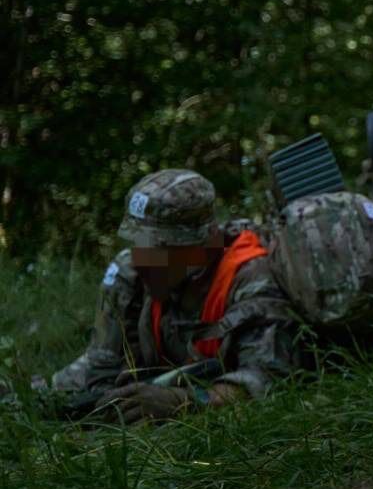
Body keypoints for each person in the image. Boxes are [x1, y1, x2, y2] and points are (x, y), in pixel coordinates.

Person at [49, 169, 304, 422]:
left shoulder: (250, 278)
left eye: (158, 248)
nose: (141, 260)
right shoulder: (132, 274)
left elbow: (267, 378)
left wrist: (183, 402)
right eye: (138, 243)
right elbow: (100, 364)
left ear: (198, 246)